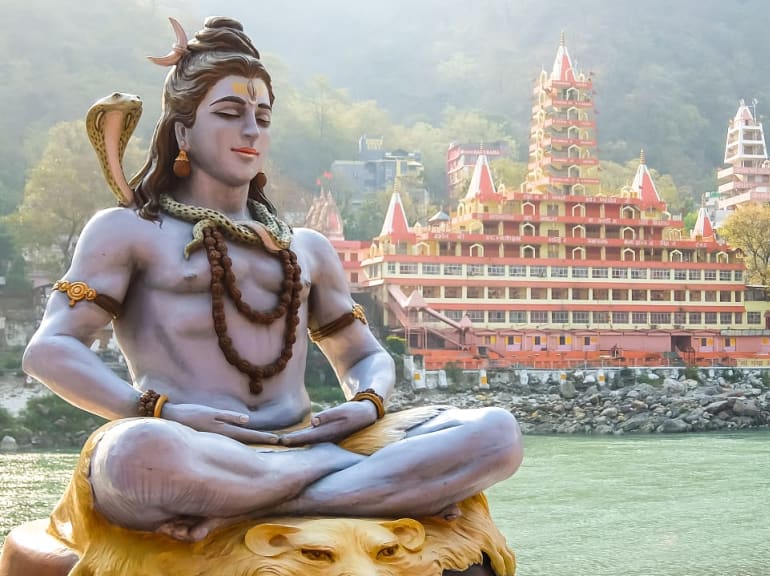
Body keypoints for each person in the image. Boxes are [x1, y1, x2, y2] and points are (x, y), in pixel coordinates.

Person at [22, 16, 522, 546]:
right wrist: (157, 409)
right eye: (230, 113)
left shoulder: (305, 246)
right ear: (182, 130)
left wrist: (367, 401)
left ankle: (268, 502)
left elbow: (362, 355)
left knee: (496, 433)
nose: (250, 131)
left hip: (309, 441)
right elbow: (50, 349)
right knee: (130, 457)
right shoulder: (129, 230)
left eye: (262, 117)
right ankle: (354, 489)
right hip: (192, 443)